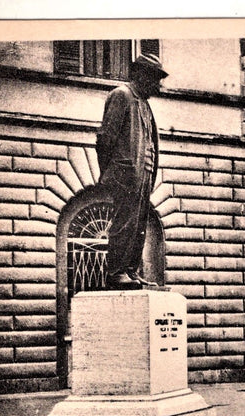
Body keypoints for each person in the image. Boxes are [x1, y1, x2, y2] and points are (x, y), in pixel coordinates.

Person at [96, 54, 168, 290]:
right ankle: (116, 271)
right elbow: (106, 138)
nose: (158, 86)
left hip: (143, 175)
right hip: (125, 175)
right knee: (124, 223)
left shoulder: (144, 105)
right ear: (142, 76)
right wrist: (110, 171)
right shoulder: (122, 95)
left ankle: (130, 270)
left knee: (138, 226)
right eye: (156, 79)